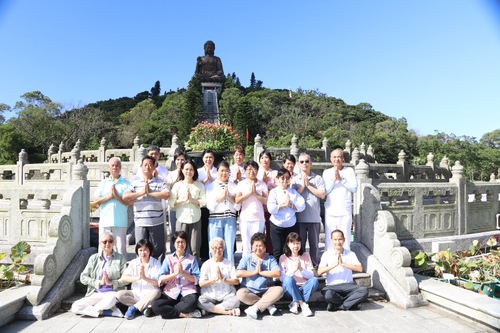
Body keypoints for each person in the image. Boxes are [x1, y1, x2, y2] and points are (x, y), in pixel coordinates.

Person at [123, 155, 171, 261]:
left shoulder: (160, 182)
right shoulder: (135, 183)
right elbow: (125, 196)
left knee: (158, 249)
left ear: (154, 167)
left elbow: (167, 194)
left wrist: (151, 192)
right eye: (145, 165)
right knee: (141, 249)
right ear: (141, 167)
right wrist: (141, 193)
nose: (147, 167)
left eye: (150, 164)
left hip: (156, 221)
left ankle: (158, 272)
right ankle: (142, 271)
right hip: (140, 221)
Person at [71, 231, 127, 318]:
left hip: (111, 293)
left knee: (111, 299)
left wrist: (112, 283)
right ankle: (106, 312)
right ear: (100, 244)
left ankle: (94, 310)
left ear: (113, 243)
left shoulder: (120, 258)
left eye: (110, 241)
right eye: (104, 242)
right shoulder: (94, 258)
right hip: (95, 293)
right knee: (75, 306)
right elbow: (83, 277)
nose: (107, 244)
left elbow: (126, 279)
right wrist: (98, 282)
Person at [152, 231, 202, 319]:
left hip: (187, 292)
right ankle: (183, 314)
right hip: (171, 291)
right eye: (178, 242)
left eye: (183, 242)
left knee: (193, 302)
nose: (180, 244)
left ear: (186, 243)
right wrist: (175, 274)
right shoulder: (168, 258)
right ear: (174, 244)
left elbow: (197, 278)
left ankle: (167, 312)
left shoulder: (192, 259)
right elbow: (161, 278)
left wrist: (183, 273)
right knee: (156, 305)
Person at [317, 229, 368, 311]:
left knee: (364, 290)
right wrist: (334, 265)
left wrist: (343, 264)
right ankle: (350, 304)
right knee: (328, 295)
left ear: (344, 240)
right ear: (331, 240)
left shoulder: (350, 254)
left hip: (348, 286)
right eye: (335, 240)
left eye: (340, 239)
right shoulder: (326, 254)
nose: (338, 242)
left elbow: (360, 268)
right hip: (332, 286)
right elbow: (319, 272)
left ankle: (339, 305)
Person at [236, 232, 284, 319]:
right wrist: (254, 272)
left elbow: (277, 273)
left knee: (279, 290)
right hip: (250, 291)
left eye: (260, 246)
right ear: (252, 247)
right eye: (256, 246)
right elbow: (239, 273)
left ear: (265, 247)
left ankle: (255, 308)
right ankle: (268, 305)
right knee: (240, 294)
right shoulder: (247, 258)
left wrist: (261, 272)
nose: (258, 248)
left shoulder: (270, 258)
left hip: (266, 290)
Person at [291, 153, 326, 268]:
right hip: (300, 218)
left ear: (311, 163)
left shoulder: (317, 178)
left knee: (314, 245)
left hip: (314, 218)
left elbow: (322, 195)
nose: (304, 164)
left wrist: (309, 186)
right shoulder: (295, 179)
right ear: (298, 164)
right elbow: (292, 196)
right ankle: (301, 266)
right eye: (301, 162)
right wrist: (302, 186)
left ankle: (314, 266)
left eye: (307, 161)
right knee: (299, 245)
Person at [93, 157, 132, 257]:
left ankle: (122, 270)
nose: (115, 167)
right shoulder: (103, 183)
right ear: (109, 168)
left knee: (121, 248)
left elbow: (130, 202)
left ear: (120, 168)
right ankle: (102, 269)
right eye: (113, 165)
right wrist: (109, 196)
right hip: (105, 221)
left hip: (120, 221)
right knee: (103, 248)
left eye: (117, 165)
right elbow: (96, 201)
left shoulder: (126, 183)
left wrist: (117, 196)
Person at [169, 160, 206, 261]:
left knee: (195, 247)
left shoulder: (199, 185)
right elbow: (171, 202)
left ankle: (194, 268)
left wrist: (193, 200)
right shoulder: (177, 185)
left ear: (194, 171)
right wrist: (184, 200)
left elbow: (204, 201)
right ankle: (180, 266)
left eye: (191, 169)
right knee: (180, 246)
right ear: (182, 170)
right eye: (186, 169)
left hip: (195, 218)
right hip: (181, 218)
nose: (189, 171)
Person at [116, 239, 162, 319]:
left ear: (149, 251)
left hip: (150, 294)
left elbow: (159, 283)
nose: (143, 253)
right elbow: (123, 277)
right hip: (135, 293)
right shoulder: (134, 262)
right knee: (119, 294)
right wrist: (138, 278)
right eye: (140, 250)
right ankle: (142, 308)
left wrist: (145, 278)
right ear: (137, 251)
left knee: (157, 292)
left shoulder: (156, 263)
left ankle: (133, 308)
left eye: (145, 250)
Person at [322, 148, 358, 250]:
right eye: (334, 157)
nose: (337, 159)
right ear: (331, 159)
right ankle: (329, 261)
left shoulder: (349, 171)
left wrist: (342, 180)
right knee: (330, 238)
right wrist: (334, 181)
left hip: (345, 210)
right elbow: (325, 192)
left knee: (345, 237)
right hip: (330, 210)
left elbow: (354, 188)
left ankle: (345, 260)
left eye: (339, 157)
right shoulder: (326, 172)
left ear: (343, 159)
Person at [267, 168, 305, 259]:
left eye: (287, 178)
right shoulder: (274, 192)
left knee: (291, 249)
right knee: (278, 250)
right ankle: (278, 272)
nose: (285, 180)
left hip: (291, 225)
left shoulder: (293, 192)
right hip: (277, 225)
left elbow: (302, 206)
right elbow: (271, 209)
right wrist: (283, 205)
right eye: (282, 177)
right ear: (278, 179)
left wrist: (291, 205)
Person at [197, 237, 241, 316]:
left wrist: (223, 279)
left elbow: (236, 281)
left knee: (236, 301)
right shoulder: (206, 264)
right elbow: (201, 284)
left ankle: (210, 310)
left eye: (220, 248)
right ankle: (227, 312)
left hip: (226, 294)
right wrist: (214, 280)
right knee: (200, 301)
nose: (217, 250)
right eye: (215, 248)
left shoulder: (229, 263)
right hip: (210, 294)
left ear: (223, 248)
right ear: (211, 249)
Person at [206, 161, 238, 264]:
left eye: (226, 171)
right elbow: (210, 206)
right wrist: (221, 197)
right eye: (222, 171)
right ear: (217, 171)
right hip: (215, 219)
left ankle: (229, 272)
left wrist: (229, 197)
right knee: (215, 246)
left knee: (229, 246)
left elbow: (238, 206)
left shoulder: (234, 186)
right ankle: (214, 270)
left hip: (230, 219)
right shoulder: (211, 186)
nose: (224, 173)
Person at [279, 232, 318, 317]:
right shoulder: (283, 257)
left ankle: (296, 302)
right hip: (290, 289)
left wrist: (301, 269)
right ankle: (302, 304)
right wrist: (294, 270)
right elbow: (282, 278)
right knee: (289, 279)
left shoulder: (305, 255)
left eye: (298, 243)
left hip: (303, 288)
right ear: (288, 244)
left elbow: (311, 275)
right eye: (293, 243)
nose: (296, 246)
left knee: (315, 280)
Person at [235, 161, 268, 257]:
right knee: (246, 245)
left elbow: (266, 201)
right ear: (245, 171)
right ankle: (245, 267)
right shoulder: (241, 184)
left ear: (257, 171)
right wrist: (249, 193)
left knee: (257, 245)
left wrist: (256, 194)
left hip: (259, 219)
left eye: (254, 169)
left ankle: (257, 265)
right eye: (249, 169)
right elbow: (237, 200)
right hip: (245, 219)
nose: (252, 171)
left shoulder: (262, 184)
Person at [166, 151, 187, 253]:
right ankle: (173, 252)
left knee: (183, 232)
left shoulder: (188, 172)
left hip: (185, 208)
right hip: (173, 207)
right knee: (173, 231)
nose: (180, 161)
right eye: (178, 159)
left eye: (182, 159)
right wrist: (177, 178)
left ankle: (185, 253)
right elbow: (168, 188)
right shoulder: (171, 174)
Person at [198, 149, 217, 261]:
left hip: (215, 205)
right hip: (202, 205)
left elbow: (221, 183)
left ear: (213, 159)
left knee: (214, 229)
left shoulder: (217, 171)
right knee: (203, 230)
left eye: (210, 157)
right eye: (206, 157)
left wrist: (212, 179)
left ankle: (215, 253)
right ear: (203, 159)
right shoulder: (198, 171)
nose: (208, 159)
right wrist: (205, 180)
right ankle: (204, 255)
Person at [258, 150, 278, 254]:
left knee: (270, 232)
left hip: (271, 208)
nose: (264, 160)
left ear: (270, 160)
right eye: (262, 158)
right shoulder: (256, 173)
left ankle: (270, 252)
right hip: (258, 208)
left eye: (266, 157)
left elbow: (277, 188)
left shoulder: (274, 173)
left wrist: (267, 183)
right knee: (259, 232)